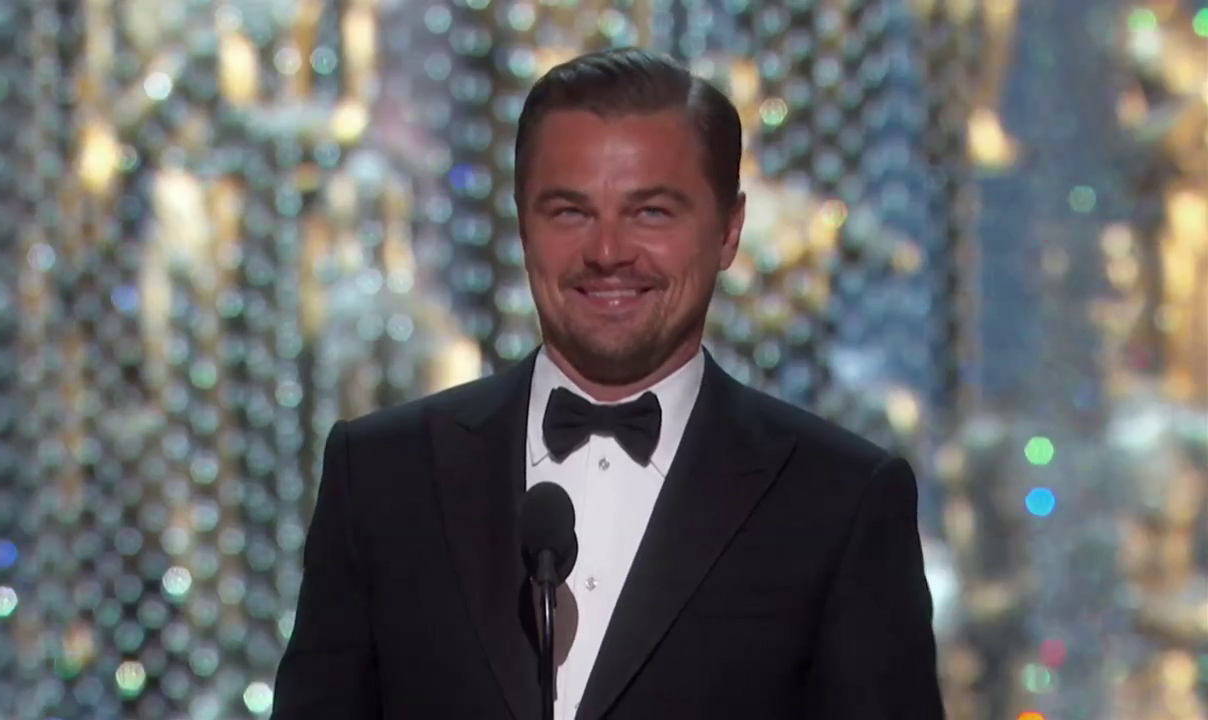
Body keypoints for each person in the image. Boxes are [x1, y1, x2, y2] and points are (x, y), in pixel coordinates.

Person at [271, 47, 944, 719]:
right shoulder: (382, 476)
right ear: (522, 224)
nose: (607, 251)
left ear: (729, 230)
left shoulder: (841, 503)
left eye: (651, 213)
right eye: (570, 212)